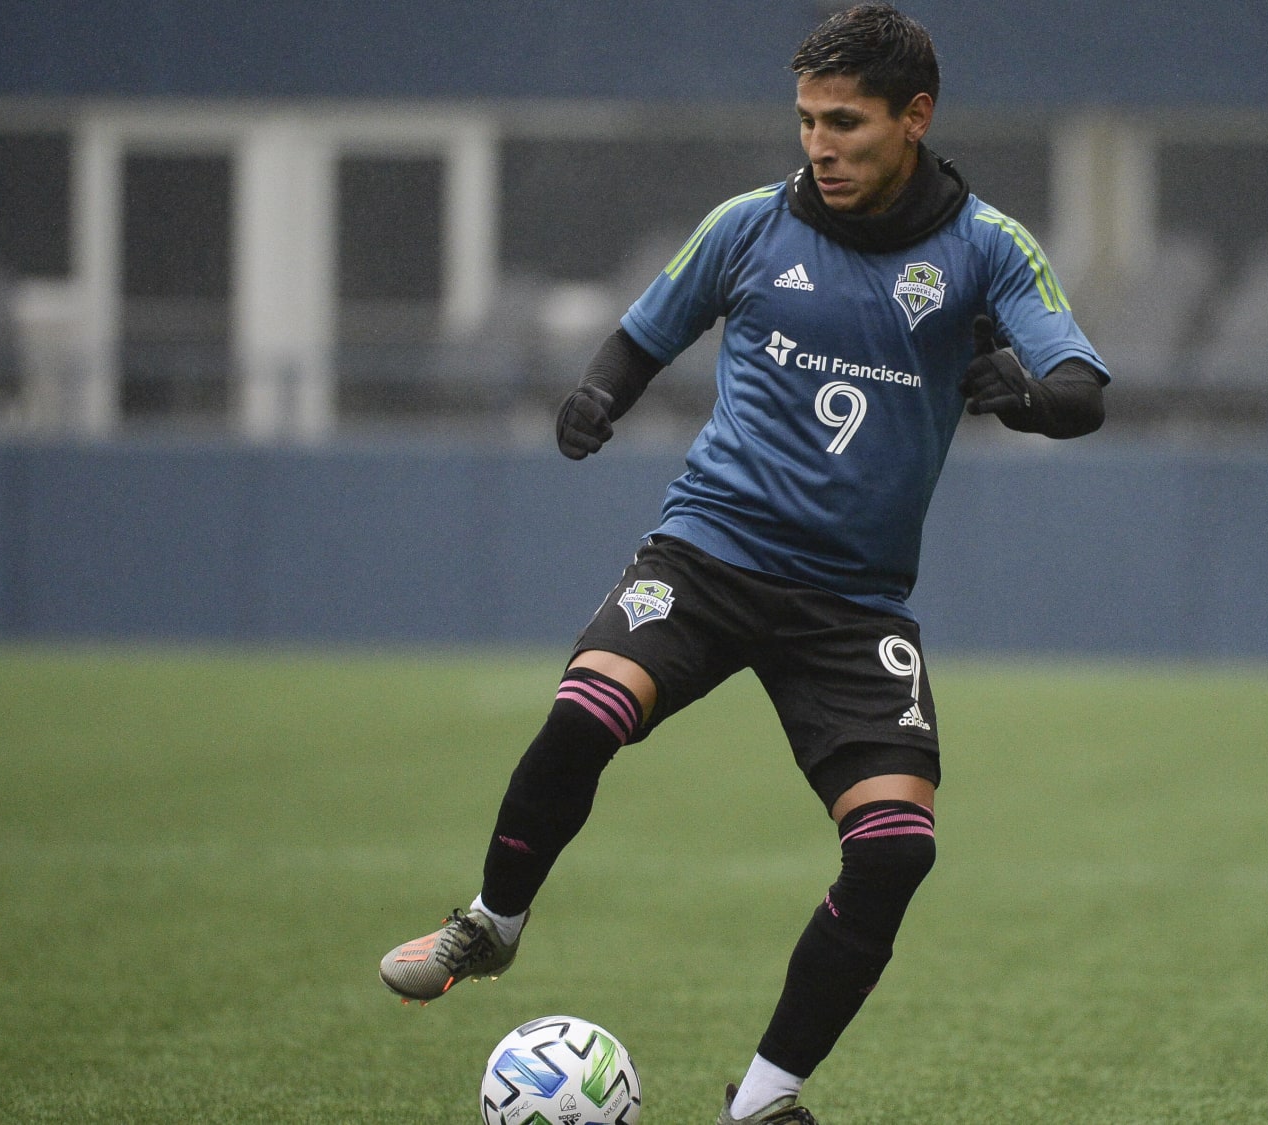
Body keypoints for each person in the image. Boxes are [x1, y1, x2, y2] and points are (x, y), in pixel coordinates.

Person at [380, 5, 1109, 1121]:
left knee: (894, 851)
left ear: (914, 119)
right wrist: (594, 398)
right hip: (709, 552)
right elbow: (644, 331)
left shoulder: (985, 247)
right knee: (585, 713)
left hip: (850, 606)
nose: (820, 146)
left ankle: (762, 1101)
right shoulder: (749, 225)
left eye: (847, 124)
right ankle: (493, 923)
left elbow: (1077, 383)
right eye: (808, 120)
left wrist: (1034, 398)